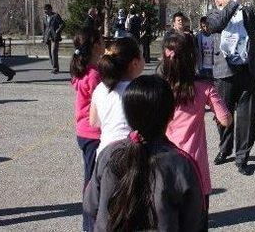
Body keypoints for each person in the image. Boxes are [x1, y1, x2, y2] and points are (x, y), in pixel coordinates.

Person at [83, 75, 204, 232]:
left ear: (127, 114)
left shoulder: (109, 154)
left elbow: (90, 206)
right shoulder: (181, 164)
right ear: (171, 115)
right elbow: (193, 222)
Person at [162, 33, 231, 221]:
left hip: (166, 161)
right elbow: (225, 119)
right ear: (193, 57)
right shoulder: (204, 87)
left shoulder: (161, 87)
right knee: (197, 220)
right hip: (195, 164)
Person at [206, 0, 255, 175]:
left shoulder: (246, 12)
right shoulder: (212, 14)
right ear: (217, 0)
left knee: (247, 118)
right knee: (223, 116)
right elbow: (218, 24)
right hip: (225, 74)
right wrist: (233, 0)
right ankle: (225, 148)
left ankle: (242, 157)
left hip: (248, 71)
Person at [70, 27, 105, 232]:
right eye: (101, 41)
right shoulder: (93, 75)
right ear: (94, 45)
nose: (104, 43)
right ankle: (90, 225)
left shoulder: (88, 69)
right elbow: (101, 103)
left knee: (93, 178)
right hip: (93, 133)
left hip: (86, 132)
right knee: (93, 182)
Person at [89, 38, 145, 155]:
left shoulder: (100, 88)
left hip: (104, 153)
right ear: (135, 63)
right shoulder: (138, 89)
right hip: (129, 153)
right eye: (142, 56)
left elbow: (93, 122)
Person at [43, 4, 65, 74]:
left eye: (46, 10)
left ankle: (55, 68)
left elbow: (63, 24)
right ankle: (54, 66)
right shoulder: (44, 17)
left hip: (55, 37)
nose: (45, 12)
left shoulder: (56, 16)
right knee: (50, 53)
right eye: (44, 10)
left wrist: (58, 31)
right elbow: (45, 28)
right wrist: (44, 38)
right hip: (48, 37)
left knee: (54, 52)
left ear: (50, 9)